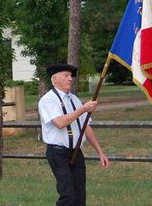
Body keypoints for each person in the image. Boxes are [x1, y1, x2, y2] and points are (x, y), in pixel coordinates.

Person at [39, 64, 109, 206]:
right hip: (58, 153)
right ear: (55, 79)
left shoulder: (74, 100)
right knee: (68, 196)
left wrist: (100, 152)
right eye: (66, 75)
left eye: (71, 76)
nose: (70, 79)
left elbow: (86, 127)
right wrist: (83, 109)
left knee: (79, 197)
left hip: (76, 152)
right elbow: (59, 122)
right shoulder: (48, 100)